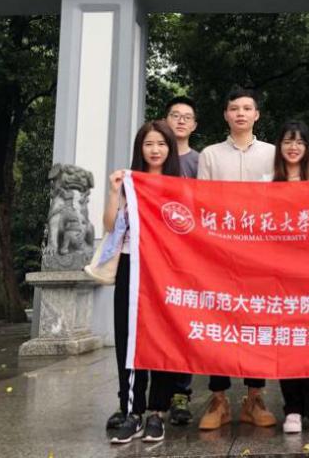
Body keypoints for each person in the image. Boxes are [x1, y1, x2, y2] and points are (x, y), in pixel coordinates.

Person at [196, 86, 278, 430]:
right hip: (221, 253)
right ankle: (218, 399)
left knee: (257, 321)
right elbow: (201, 203)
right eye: (234, 108)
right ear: (226, 115)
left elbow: (287, 199)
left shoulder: (273, 153)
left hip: (262, 254)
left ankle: (254, 397)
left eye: (247, 108)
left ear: (257, 114)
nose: (241, 113)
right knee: (218, 322)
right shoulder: (210, 155)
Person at [103, 121, 186, 444]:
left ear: (170, 149)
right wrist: (114, 192)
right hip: (131, 265)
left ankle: (157, 413)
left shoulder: (180, 186)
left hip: (166, 269)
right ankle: (132, 411)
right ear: (140, 148)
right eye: (149, 144)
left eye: (161, 144)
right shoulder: (129, 183)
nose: (155, 150)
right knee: (128, 337)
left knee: (163, 337)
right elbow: (110, 225)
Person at [269, 120, 309, 434]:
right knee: (287, 341)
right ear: (279, 147)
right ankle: (292, 407)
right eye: (287, 141)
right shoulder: (267, 184)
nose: (293, 147)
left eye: (299, 142)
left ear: (307, 148)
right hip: (280, 275)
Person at [161, 95, 200, 426]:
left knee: (186, 323)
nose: (181, 121)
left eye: (187, 117)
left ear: (195, 125)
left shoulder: (201, 162)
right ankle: (155, 396)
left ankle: (181, 393)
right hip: (158, 256)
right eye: (175, 115)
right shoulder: (153, 159)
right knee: (160, 323)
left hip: (192, 257)